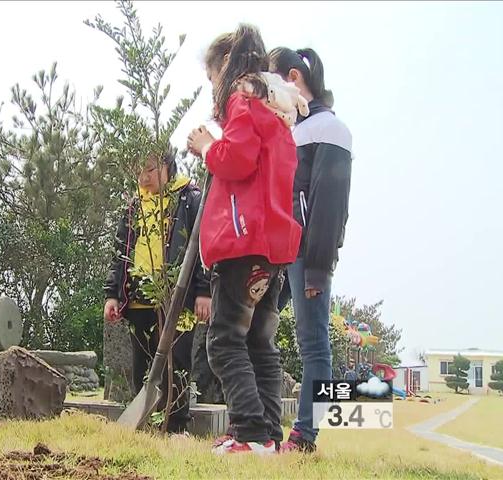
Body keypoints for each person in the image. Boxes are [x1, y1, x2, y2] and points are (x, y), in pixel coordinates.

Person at [186, 24, 303, 455]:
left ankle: (250, 431)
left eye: (211, 77)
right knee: (260, 342)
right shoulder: (276, 109)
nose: (212, 86)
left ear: (226, 67)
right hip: (272, 244)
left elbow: (235, 159)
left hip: (240, 241)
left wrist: (205, 146)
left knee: (225, 340)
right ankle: (269, 434)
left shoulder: (242, 98)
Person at [269, 47, 353, 453]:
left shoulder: (330, 129)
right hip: (281, 251)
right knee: (259, 332)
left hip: (307, 253)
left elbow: (330, 206)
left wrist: (319, 267)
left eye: (273, 82)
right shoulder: (292, 130)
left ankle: (305, 436)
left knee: (314, 344)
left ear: (293, 79)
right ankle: (262, 425)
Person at [103, 147, 211, 435]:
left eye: (150, 169)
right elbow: (119, 252)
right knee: (141, 367)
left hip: (176, 297)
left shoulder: (190, 199)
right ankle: (144, 426)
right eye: (139, 170)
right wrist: (112, 294)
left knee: (176, 365)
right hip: (138, 297)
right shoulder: (133, 205)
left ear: (167, 166)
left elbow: (203, 248)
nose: (143, 177)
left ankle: (176, 426)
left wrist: (203, 291)